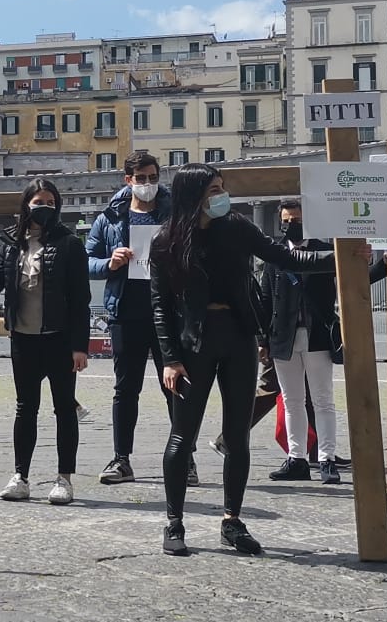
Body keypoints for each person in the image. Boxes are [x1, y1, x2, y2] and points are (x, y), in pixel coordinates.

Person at [151, 166, 330, 557]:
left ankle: (232, 521)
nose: (221, 195)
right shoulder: (165, 240)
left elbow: (286, 257)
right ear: (192, 194)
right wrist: (169, 359)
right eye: (213, 190)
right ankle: (174, 521)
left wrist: (340, 257)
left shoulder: (237, 227)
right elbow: (160, 306)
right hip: (193, 343)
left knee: (238, 436)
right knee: (183, 435)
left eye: (222, 188)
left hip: (238, 336)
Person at [0, 179, 90, 505]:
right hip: (23, 338)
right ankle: (20, 476)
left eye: (51, 202)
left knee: (64, 408)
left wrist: (80, 346)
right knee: (26, 408)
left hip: (60, 338)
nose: (45, 207)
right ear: (26, 204)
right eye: (39, 201)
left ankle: (64, 478)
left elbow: (81, 299)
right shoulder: (11, 244)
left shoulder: (69, 244)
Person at [86, 153, 172, 486]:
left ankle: (185, 456)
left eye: (153, 177)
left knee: (177, 387)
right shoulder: (109, 218)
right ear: (128, 180)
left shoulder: (175, 213)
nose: (148, 184)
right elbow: (87, 261)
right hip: (126, 310)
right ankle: (121, 458)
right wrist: (110, 262)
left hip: (168, 310)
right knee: (125, 389)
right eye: (142, 178)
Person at [265, 199, 355, 484]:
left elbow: (357, 278)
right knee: (292, 401)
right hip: (283, 337)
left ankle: (326, 458)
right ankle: (297, 458)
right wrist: (261, 340)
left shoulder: (326, 251)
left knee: (323, 400)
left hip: (317, 335)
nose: (291, 225)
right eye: (286, 221)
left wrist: (385, 264)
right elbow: (266, 298)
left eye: (297, 220)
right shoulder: (275, 254)